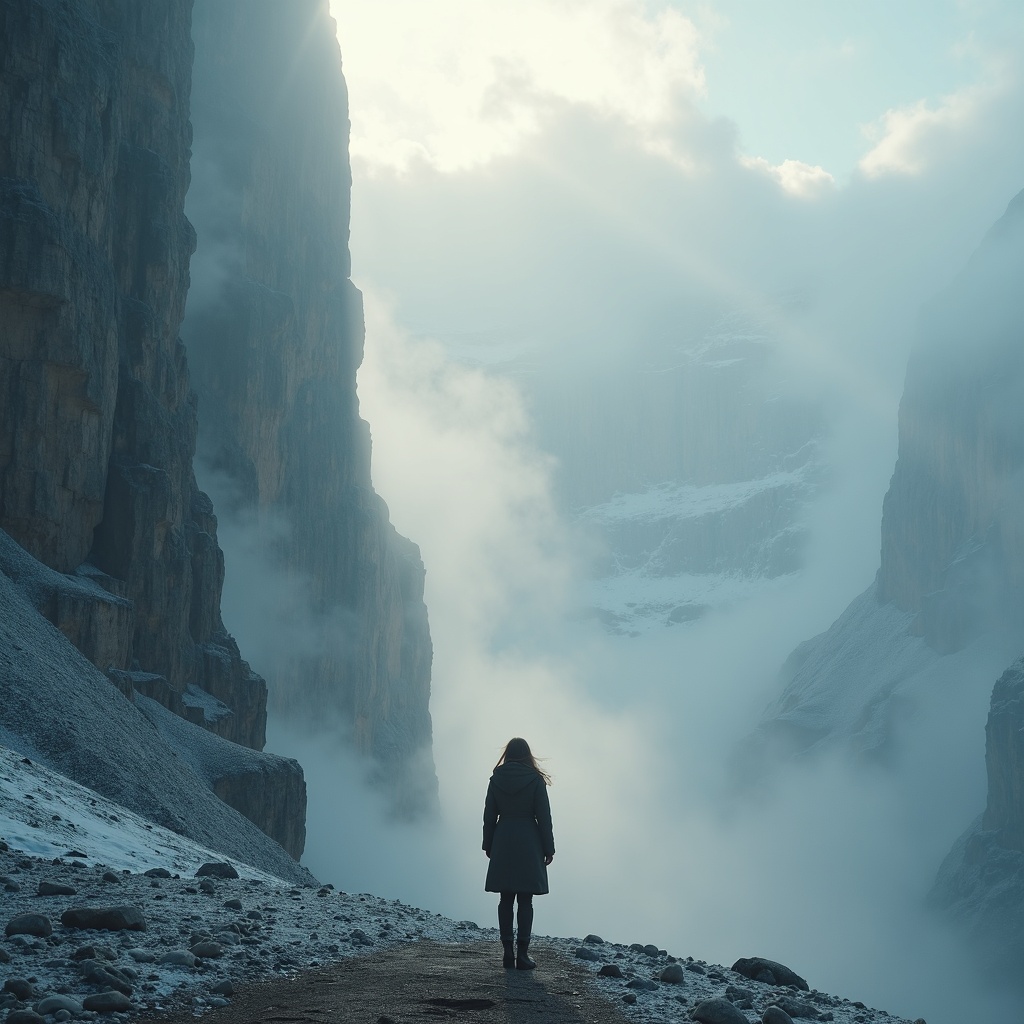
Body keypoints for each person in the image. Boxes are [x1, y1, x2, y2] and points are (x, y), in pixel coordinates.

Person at [482, 737, 555, 970]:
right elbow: (544, 817)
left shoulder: (496, 779)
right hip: (528, 841)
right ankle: (522, 955)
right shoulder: (535, 780)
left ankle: (507, 953)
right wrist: (548, 847)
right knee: (525, 899)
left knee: (505, 898)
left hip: (503, 838)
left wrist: (489, 844)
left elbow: (489, 815)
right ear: (527, 755)